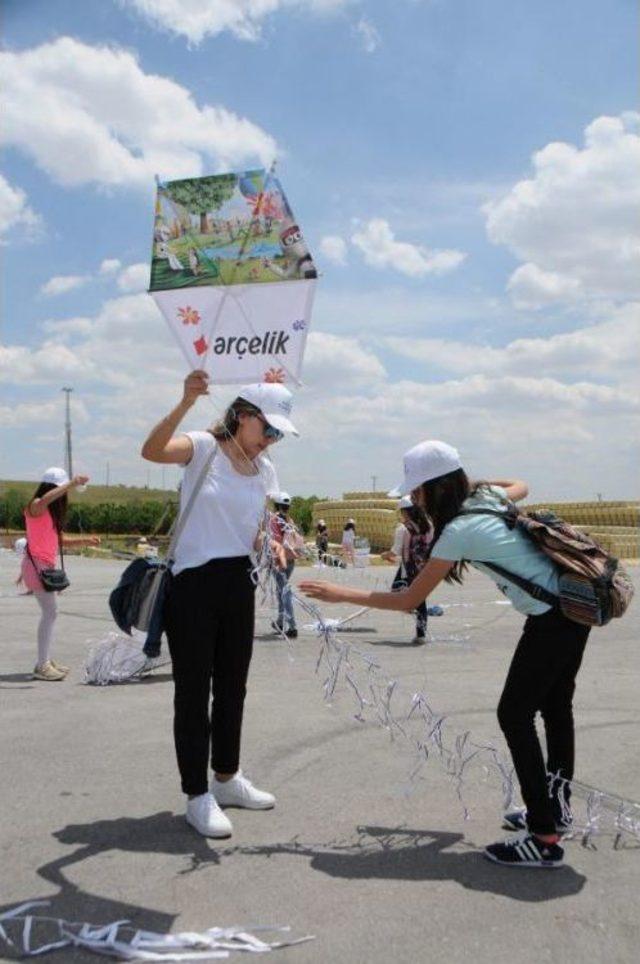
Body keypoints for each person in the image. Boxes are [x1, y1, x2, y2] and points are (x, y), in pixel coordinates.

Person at [301, 440, 589, 870]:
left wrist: (339, 593)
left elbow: (408, 599)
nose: (414, 499)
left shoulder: (459, 531)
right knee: (553, 708)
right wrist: (467, 480)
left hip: (553, 618)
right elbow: (521, 484)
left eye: (418, 490)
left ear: (435, 489)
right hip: (571, 605)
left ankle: (544, 837)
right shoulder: (484, 498)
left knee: (514, 715)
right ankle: (556, 810)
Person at [141, 369, 299, 839]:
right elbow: (151, 451)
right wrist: (186, 401)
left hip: (239, 582)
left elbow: (250, 523)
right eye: (266, 428)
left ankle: (226, 778)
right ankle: (197, 795)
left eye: (278, 433)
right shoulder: (203, 448)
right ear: (243, 416)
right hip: (193, 584)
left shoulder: (264, 470)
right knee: (193, 692)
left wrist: (269, 543)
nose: (271, 440)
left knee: (233, 687)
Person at [22, 468, 100, 681]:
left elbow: (60, 540)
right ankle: (42, 665)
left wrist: (87, 541)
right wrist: (73, 482)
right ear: (53, 488)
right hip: (36, 568)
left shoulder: (49, 514)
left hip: (45, 569)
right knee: (50, 613)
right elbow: (46, 498)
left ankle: (45, 660)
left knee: (50, 614)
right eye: (60, 490)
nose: (63, 495)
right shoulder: (35, 507)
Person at [381, 496, 433, 645]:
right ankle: (421, 633)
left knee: (403, 595)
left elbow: (395, 551)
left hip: (409, 569)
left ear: (405, 512)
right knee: (421, 600)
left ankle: (418, 626)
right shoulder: (428, 525)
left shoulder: (403, 528)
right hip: (426, 568)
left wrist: (385, 555)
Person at [270, 492, 303, 639]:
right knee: (281, 591)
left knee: (284, 591)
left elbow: (274, 541)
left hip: (279, 560)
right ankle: (280, 621)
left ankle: (292, 626)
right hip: (291, 561)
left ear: (276, 504)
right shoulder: (290, 520)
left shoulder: (274, 520)